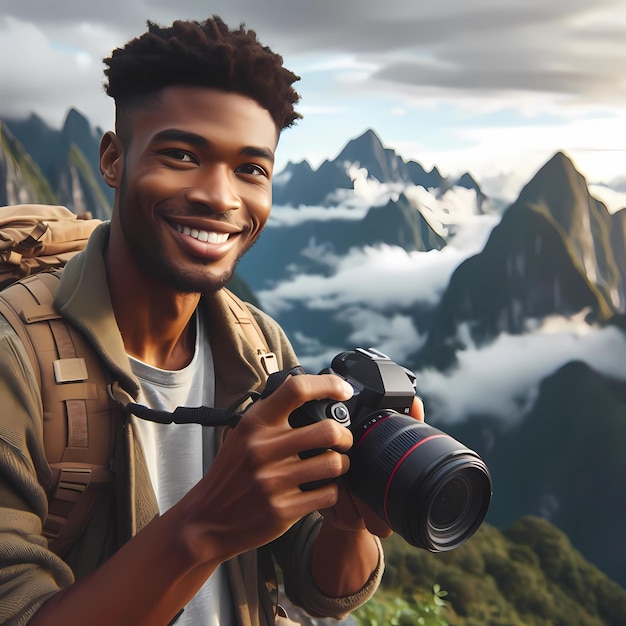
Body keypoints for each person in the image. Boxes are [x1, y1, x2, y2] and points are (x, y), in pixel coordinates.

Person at [0, 16, 423, 626]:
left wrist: (346, 521)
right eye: (181, 154)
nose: (221, 198)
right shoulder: (17, 358)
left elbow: (319, 585)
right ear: (114, 159)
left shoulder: (258, 348)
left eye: (252, 169)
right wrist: (204, 527)